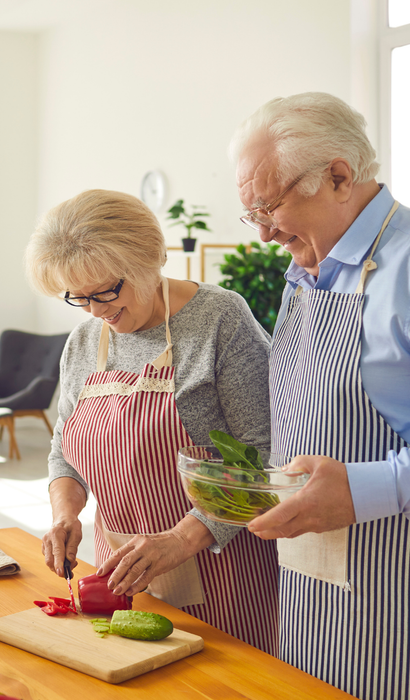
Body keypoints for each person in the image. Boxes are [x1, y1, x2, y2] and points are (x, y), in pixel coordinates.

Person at [24, 189, 279, 655]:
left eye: (105, 291)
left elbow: (262, 458)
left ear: (148, 260)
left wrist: (180, 540)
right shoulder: (83, 342)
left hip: (222, 571)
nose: (96, 310)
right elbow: (66, 452)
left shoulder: (219, 319)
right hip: (122, 577)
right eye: (77, 298)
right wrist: (66, 514)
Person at [229, 92, 410, 700]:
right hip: (310, 589)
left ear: (337, 177)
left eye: (268, 207)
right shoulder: (311, 272)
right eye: (247, 212)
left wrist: (363, 492)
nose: (261, 232)